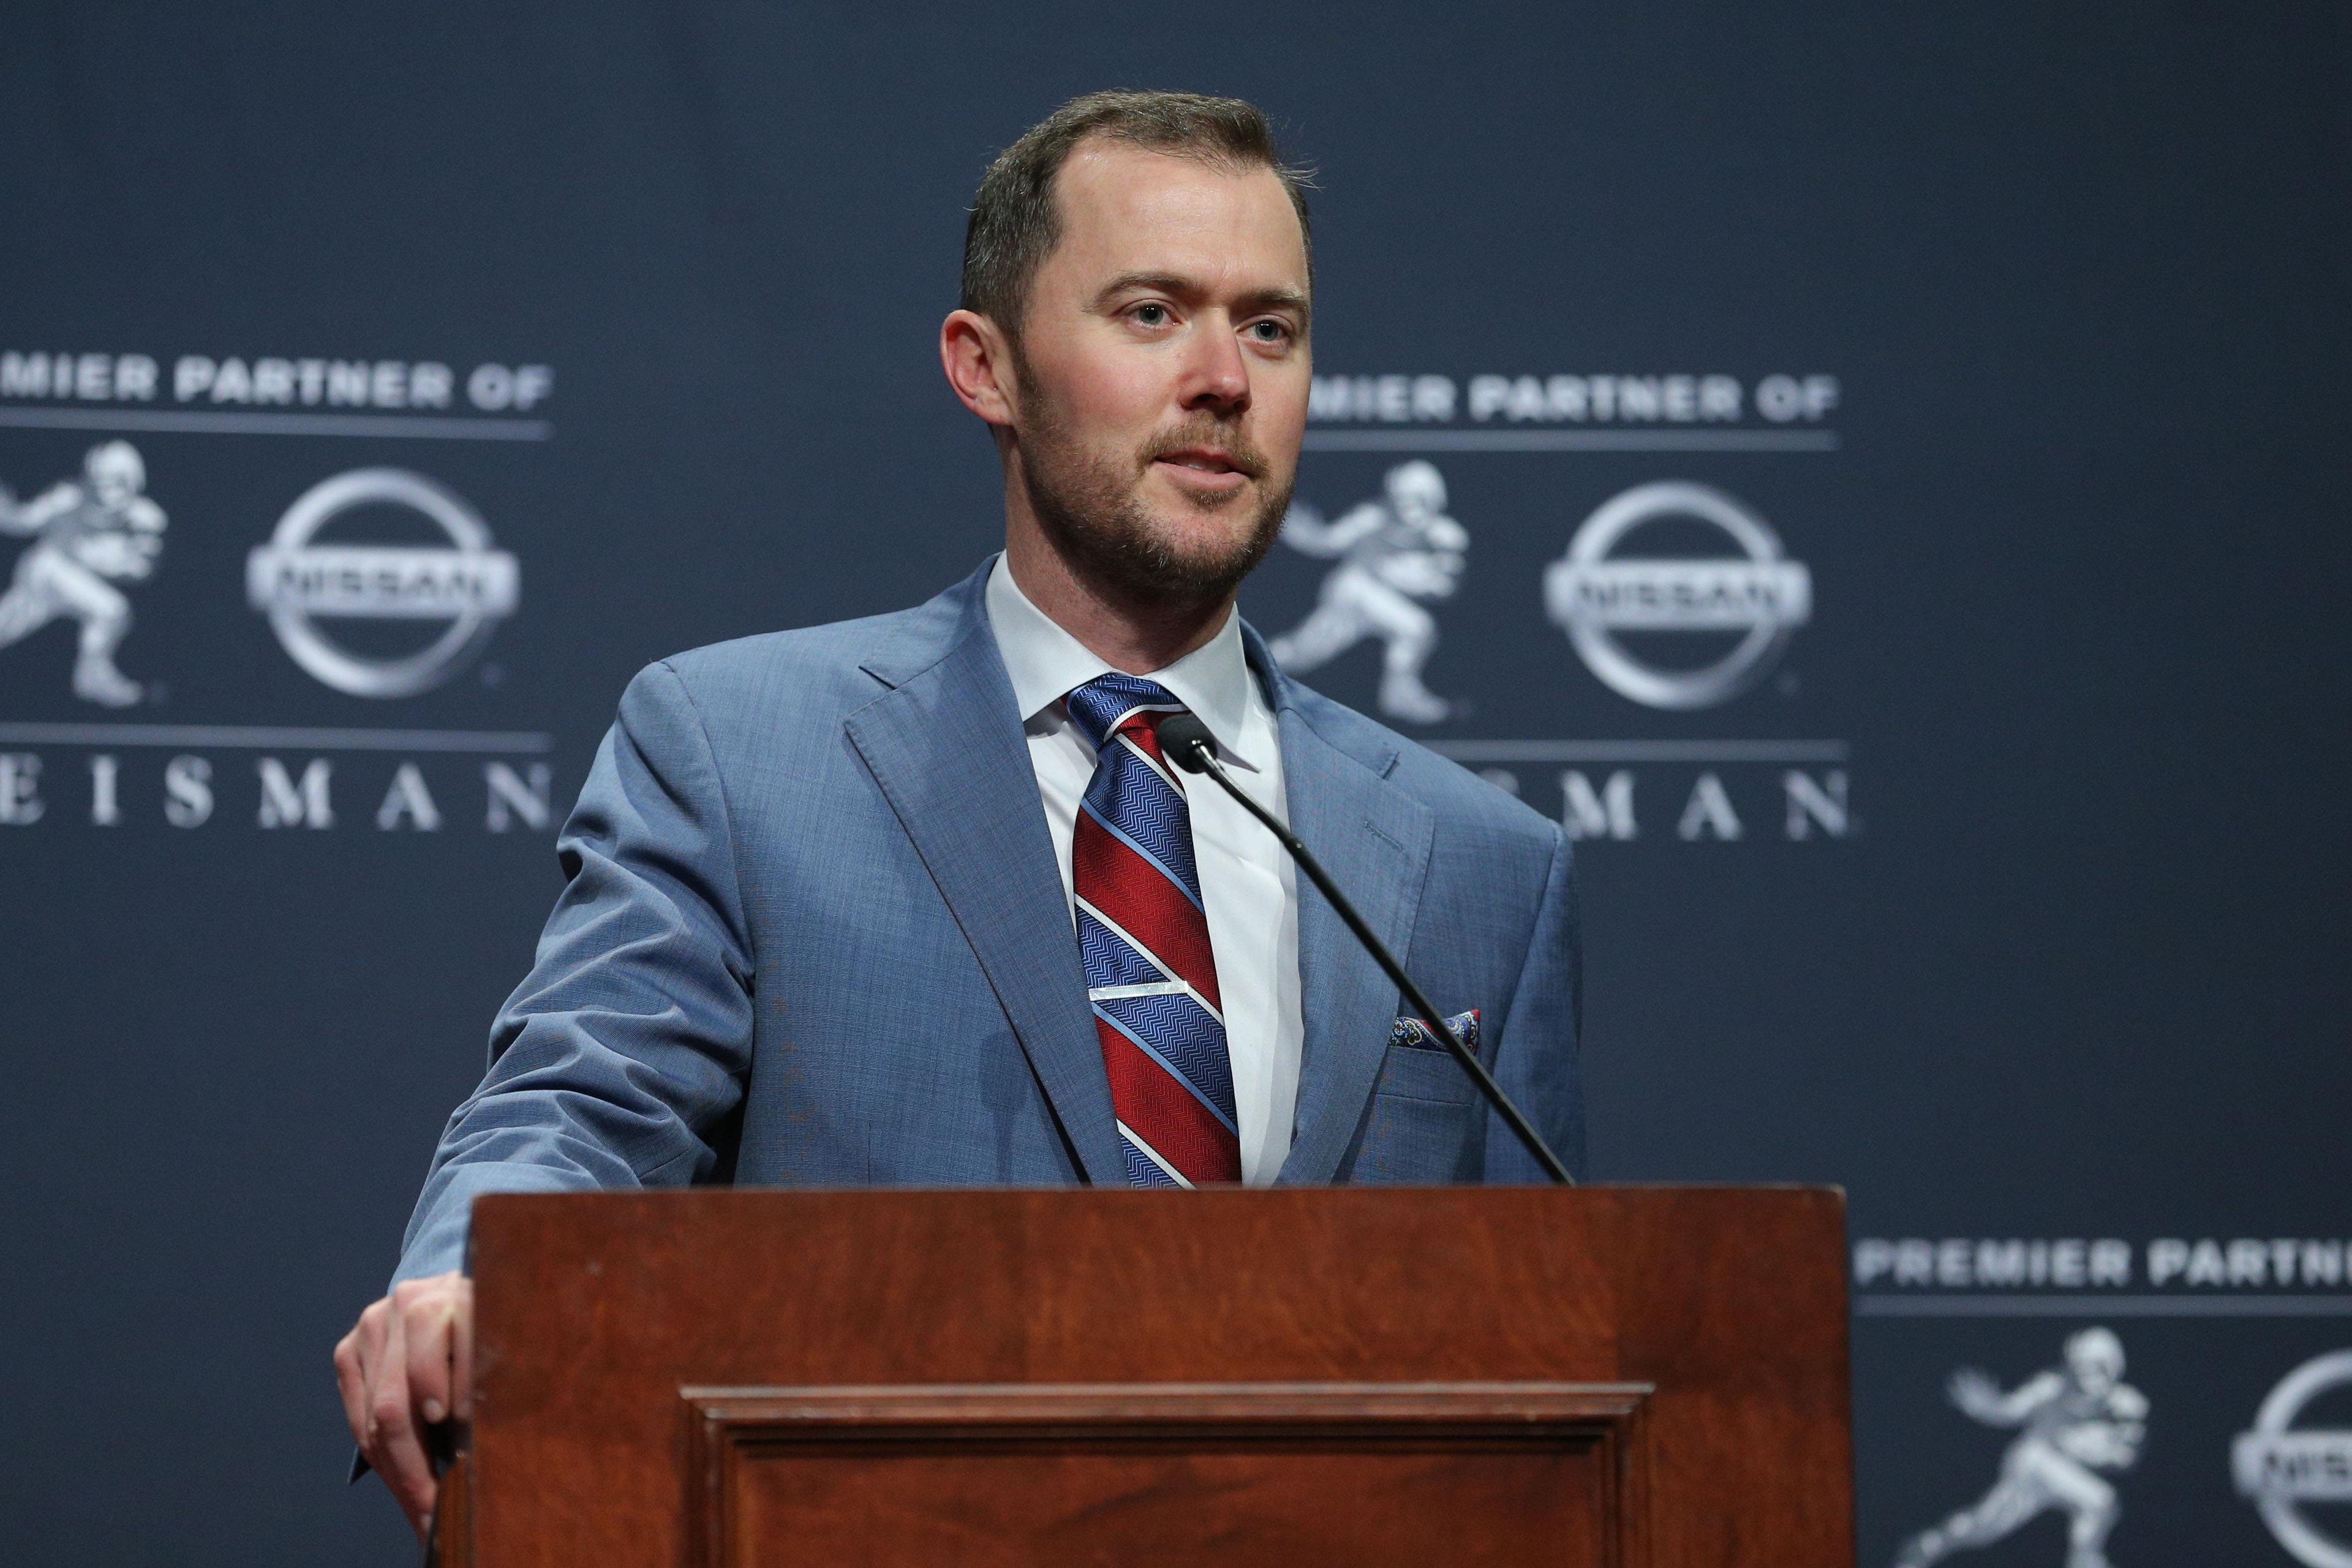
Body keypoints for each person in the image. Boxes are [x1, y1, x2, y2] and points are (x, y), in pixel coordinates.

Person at [334, 89, 1583, 1539]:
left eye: (1270, 328)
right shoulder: (743, 754)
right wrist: (470, 1273)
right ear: (982, 367)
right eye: (1148, 311)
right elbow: (580, 1102)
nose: (1223, 378)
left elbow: (1550, 1350)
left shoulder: (1481, 860)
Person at [1894, 1328, 2148, 1568]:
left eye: (2099, 1367)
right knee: (2098, 1501)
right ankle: (2084, 1560)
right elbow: (2010, 1410)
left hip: (2056, 1475)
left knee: (1985, 1526)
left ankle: (1926, 1546)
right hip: (2034, 1462)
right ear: (2072, 1366)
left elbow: (2125, 1458)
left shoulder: (2126, 1406)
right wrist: (1987, 1407)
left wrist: (2109, 1447)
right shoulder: (2052, 1387)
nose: (2089, 1376)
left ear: (2116, 1368)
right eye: (2083, 1366)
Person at [1269, 458, 1467, 724]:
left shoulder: (1447, 537)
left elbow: (1445, 588)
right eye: (1402, 497)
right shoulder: (1372, 518)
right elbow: (1328, 542)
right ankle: (1248, 666)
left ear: (1435, 499)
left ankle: (1399, 695)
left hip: (1376, 600)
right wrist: (1290, 523)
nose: (1409, 507)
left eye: (1419, 498)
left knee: (1415, 630)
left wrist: (1422, 577)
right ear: (1391, 496)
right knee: (1306, 651)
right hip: (1354, 592)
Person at [0, 440, 165, 707]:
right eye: (99, 481)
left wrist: (103, 557)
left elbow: (142, 571)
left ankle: (92, 677)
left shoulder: (146, 518)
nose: (106, 492)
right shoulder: (67, 498)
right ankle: (91, 678)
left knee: (109, 612)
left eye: (117, 482)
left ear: (135, 482)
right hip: (46, 570)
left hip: (66, 581)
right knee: (110, 610)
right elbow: (23, 522)